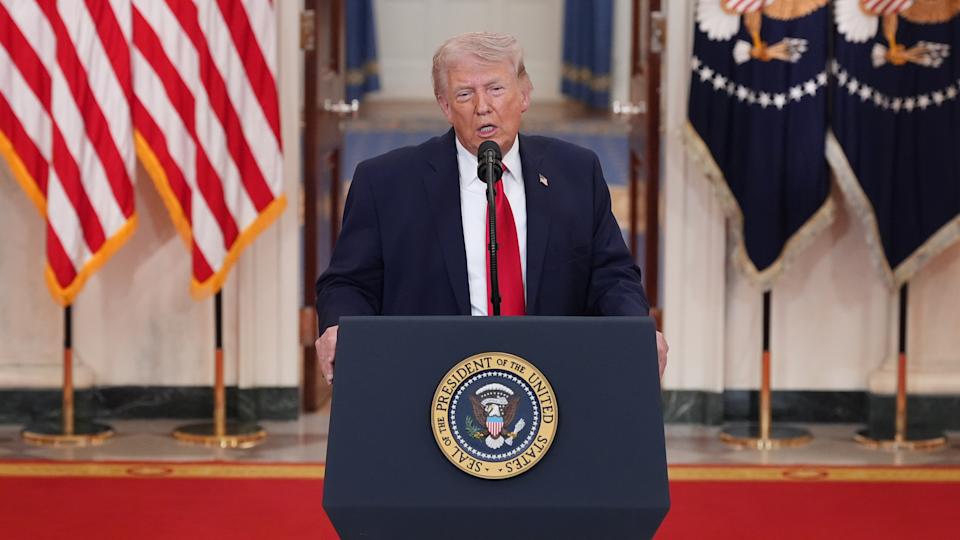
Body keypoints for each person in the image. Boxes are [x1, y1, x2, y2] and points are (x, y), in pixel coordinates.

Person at [315, 32, 668, 384]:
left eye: (496, 89)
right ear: (445, 105)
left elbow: (612, 275)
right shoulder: (386, 183)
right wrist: (338, 326)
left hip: (554, 380)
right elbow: (348, 282)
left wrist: (636, 329)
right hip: (428, 381)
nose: (482, 106)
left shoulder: (576, 172)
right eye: (464, 94)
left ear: (524, 95)